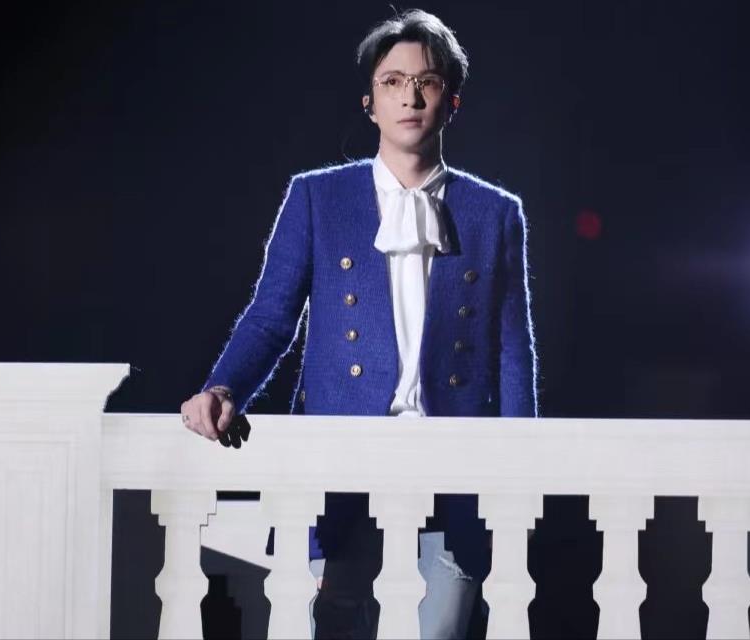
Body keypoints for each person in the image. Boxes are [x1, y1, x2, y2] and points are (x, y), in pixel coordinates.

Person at [180, 8, 537, 639]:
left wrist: (518, 478)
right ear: (370, 102)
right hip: (338, 467)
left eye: (426, 82)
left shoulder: (494, 212)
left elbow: (512, 354)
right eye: (393, 82)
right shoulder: (317, 197)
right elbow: (271, 317)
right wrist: (223, 386)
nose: (410, 97)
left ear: (451, 101)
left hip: (454, 473)